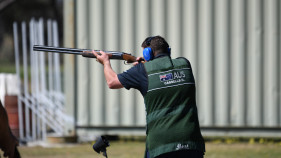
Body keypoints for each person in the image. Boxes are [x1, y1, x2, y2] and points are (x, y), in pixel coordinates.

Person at [93, 36, 205, 158]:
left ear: (147, 54)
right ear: (168, 50)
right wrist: (146, 64)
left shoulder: (142, 70)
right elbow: (163, 70)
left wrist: (105, 62)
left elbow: (112, 82)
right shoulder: (185, 64)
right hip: (192, 144)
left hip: (161, 147)